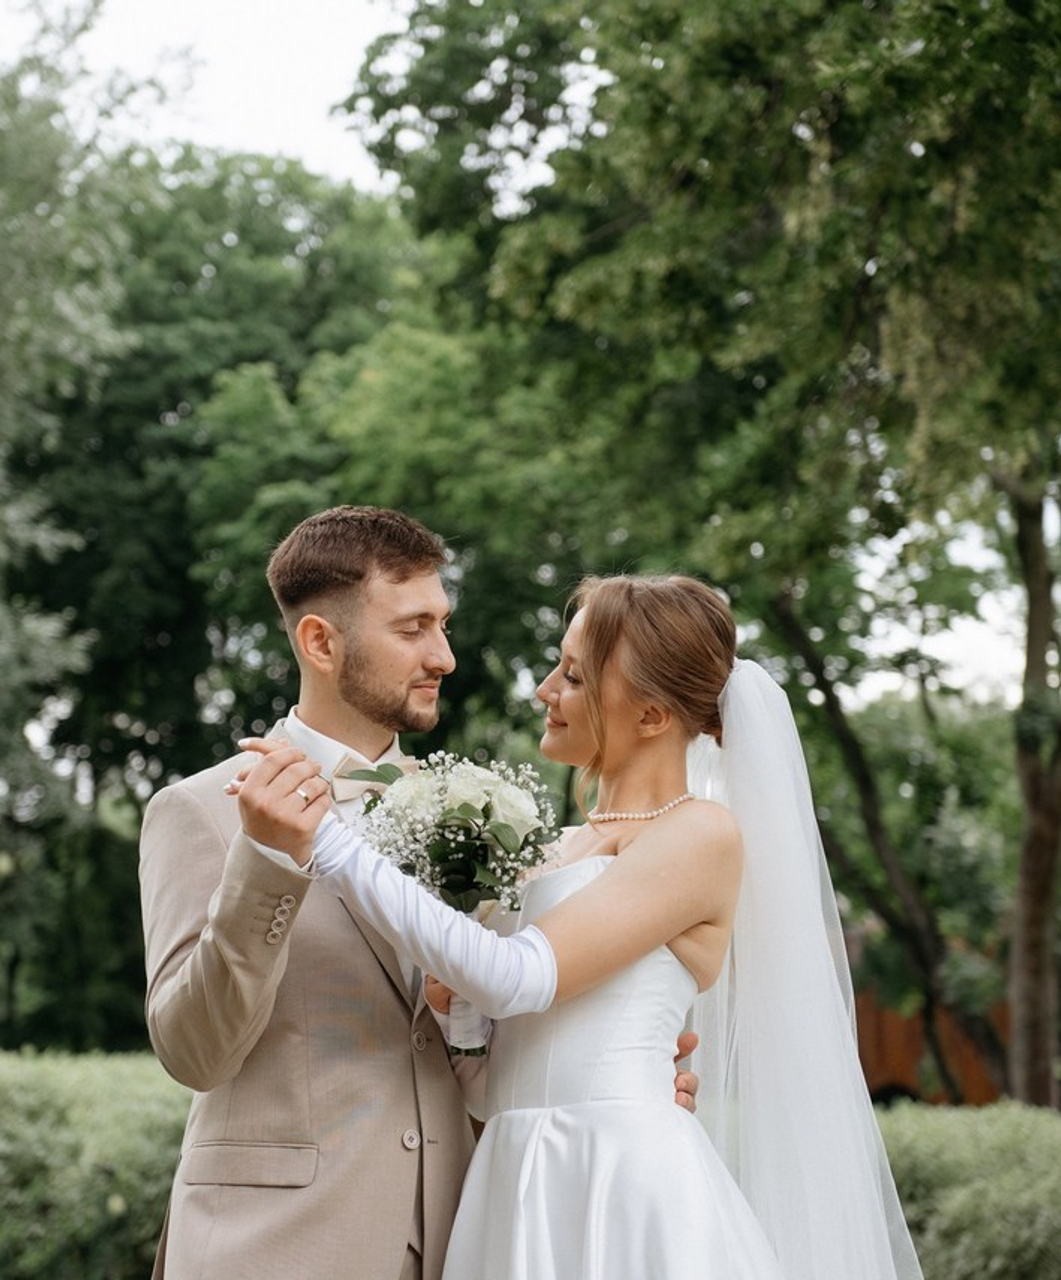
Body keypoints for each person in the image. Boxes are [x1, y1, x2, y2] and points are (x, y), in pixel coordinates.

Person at [236, 573, 924, 1280]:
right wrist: (460, 1025)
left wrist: (325, 840)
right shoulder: (553, 847)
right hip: (514, 1172)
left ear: (652, 715)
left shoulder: (699, 835)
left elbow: (519, 978)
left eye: (572, 674)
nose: (544, 689)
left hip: (618, 1176)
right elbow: (494, 1082)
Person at [137, 509, 699, 1280]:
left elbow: (482, 1028)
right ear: (320, 643)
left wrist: (603, 1080)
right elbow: (194, 1051)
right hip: (275, 1247)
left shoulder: (480, 817)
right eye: (412, 629)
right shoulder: (199, 811)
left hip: (462, 1241)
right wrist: (267, 859)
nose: (445, 656)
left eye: (444, 624)